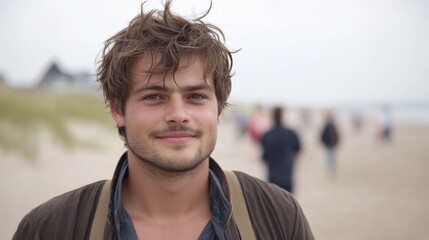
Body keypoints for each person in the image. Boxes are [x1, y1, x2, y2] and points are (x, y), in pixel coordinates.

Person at [13, 1, 314, 239]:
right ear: (118, 110)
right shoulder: (52, 227)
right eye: (154, 96)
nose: (178, 115)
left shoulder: (277, 216)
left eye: (196, 96)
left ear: (218, 110)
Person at [260, 106, 301, 193]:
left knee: (273, 200)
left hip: (273, 173)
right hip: (287, 172)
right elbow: (298, 150)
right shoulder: (291, 133)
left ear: (273, 117)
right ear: (282, 116)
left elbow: (264, 156)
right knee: (288, 201)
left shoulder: (267, 135)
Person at [320, 110, 340, 176]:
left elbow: (337, 135)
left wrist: (336, 142)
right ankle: (329, 168)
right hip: (328, 144)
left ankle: (332, 169)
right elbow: (322, 135)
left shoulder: (333, 125)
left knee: (333, 157)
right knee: (329, 157)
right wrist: (324, 142)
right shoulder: (326, 126)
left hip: (333, 144)